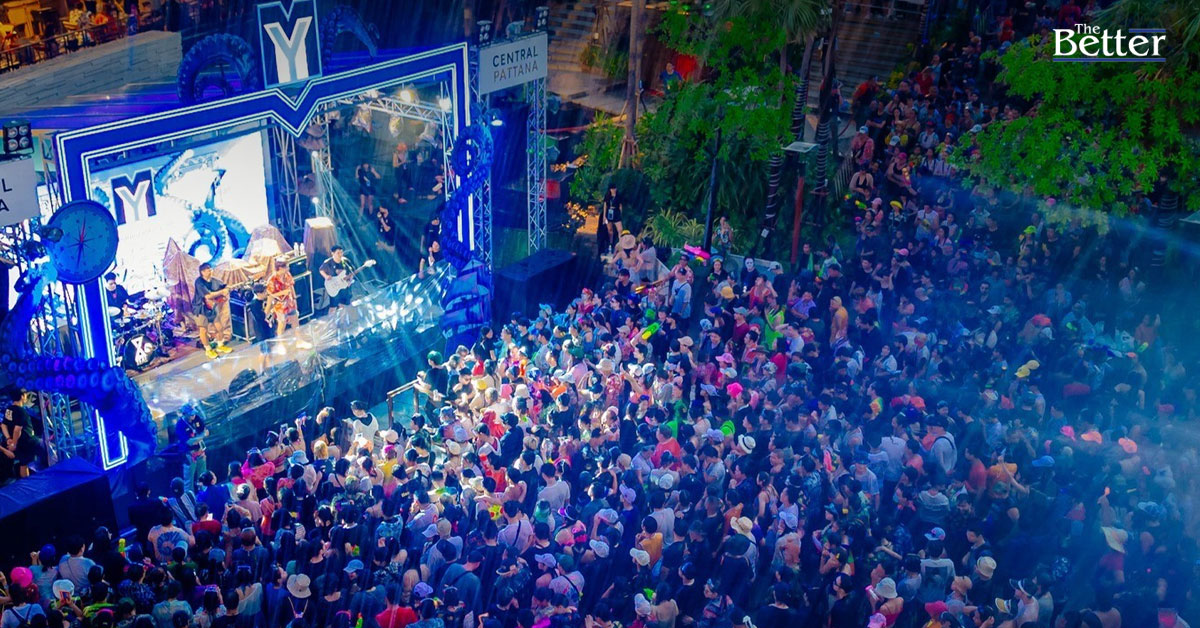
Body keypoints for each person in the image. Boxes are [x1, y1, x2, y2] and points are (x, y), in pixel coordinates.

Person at [192, 263, 233, 359]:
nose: (210, 271)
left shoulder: (214, 281)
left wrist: (226, 290)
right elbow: (207, 296)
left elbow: (225, 286)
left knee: (219, 327)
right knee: (203, 329)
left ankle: (220, 345)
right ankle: (208, 349)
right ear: (202, 272)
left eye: (210, 269)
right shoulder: (199, 282)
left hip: (212, 308)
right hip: (200, 308)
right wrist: (221, 292)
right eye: (208, 270)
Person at [265, 259, 300, 336]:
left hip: (290, 302)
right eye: (287, 267)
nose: (288, 268)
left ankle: (299, 339)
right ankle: (281, 341)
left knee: (295, 321)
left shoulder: (287, 275)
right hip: (280, 305)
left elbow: (291, 286)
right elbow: (270, 294)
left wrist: (294, 298)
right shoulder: (272, 279)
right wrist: (282, 293)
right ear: (280, 268)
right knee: (282, 324)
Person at [319, 246, 355, 312]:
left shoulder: (345, 261)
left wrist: (350, 280)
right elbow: (321, 270)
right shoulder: (328, 262)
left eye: (341, 252)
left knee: (345, 304)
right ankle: (331, 318)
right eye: (338, 253)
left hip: (344, 285)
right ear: (333, 253)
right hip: (334, 286)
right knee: (333, 306)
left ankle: (344, 317)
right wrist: (326, 276)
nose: (340, 254)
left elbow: (352, 272)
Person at [600, 184, 623, 255]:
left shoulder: (618, 196)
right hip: (609, 213)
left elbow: (620, 206)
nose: (613, 190)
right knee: (610, 230)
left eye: (614, 188)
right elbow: (605, 206)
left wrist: (620, 214)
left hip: (616, 213)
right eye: (612, 189)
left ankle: (621, 244)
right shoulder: (607, 196)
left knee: (620, 230)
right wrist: (604, 217)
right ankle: (610, 244)